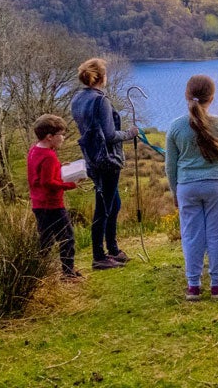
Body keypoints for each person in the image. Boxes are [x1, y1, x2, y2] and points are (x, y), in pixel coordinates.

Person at [166, 75, 218, 301]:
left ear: (186, 95)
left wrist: (174, 192)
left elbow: (170, 166)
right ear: (212, 97)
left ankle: (194, 286)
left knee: (191, 236)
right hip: (217, 186)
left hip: (187, 186)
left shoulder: (176, 127)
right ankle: (217, 286)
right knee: (217, 236)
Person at [72, 58, 137, 270]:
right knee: (104, 208)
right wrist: (130, 133)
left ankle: (113, 249)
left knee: (113, 203)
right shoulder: (101, 101)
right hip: (107, 161)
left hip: (92, 159)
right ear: (101, 77)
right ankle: (99, 256)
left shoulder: (78, 98)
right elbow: (109, 135)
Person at [27, 114, 81, 281]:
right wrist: (71, 184)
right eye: (61, 134)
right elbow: (48, 183)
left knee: (46, 240)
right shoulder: (49, 156)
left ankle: (36, 273)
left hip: (38, 204)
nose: (63, 138)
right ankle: (68, 273)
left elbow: (39, 175)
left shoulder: (35, 150)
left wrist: (59, 166)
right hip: (52, 205)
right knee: (67, 238)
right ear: (50, 137)